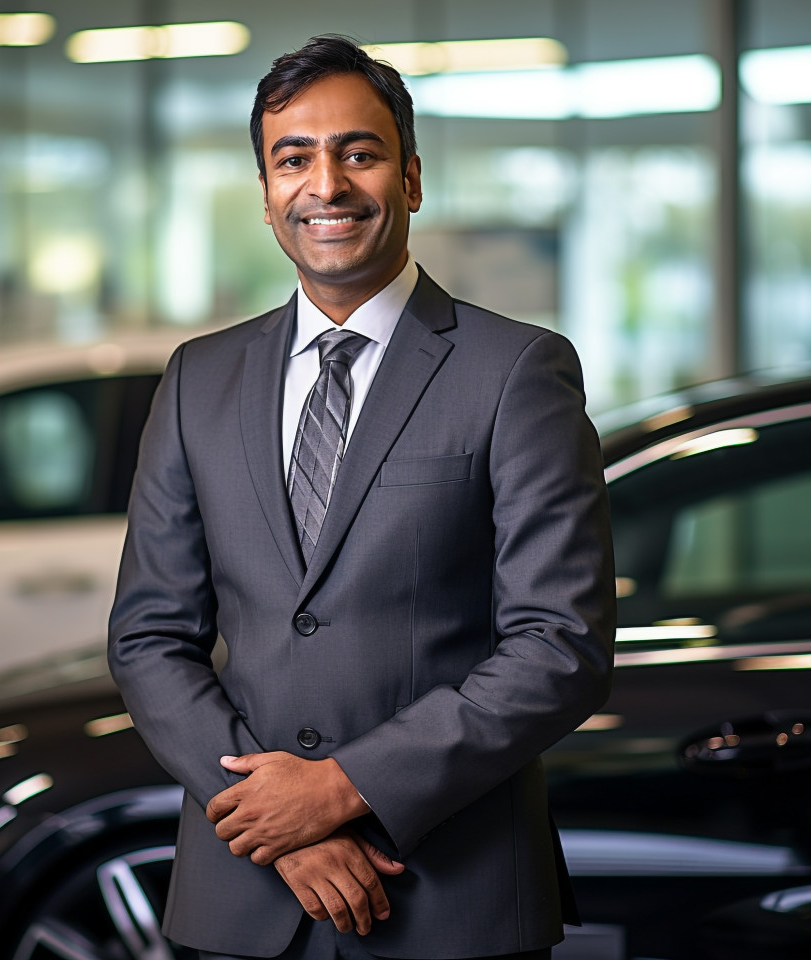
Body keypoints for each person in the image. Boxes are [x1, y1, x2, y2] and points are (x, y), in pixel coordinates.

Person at [108, 34, 616, 960]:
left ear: (411, 179)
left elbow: (560, 643)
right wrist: (276, 824)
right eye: (292, 159)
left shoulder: (517, 370)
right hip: (241, 899)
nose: (327, 184)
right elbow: (149, 636)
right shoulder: (198, 379)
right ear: (266, 196)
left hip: (452, 900)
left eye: (359, 152)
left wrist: (345, 789)